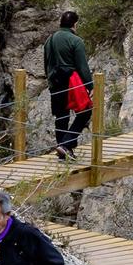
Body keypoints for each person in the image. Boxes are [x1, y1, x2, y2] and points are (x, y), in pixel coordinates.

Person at [43, 11, 91, 162]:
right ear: (75, 24)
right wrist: (90, 85)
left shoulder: (49, 41)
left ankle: (63, 150)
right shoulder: (75, 41)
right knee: (85, 111)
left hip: (54, 83)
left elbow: (46, 64)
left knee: (61, 116)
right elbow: (82, 66)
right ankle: (66, 143)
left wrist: (50, 80)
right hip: (71, 83)